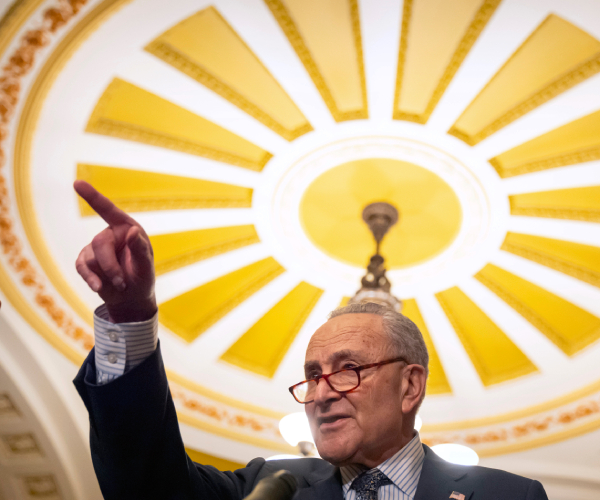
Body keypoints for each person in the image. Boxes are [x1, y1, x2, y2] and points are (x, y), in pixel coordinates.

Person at [72, 180, 548, 500]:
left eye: (346, 370)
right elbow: (146, 485)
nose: (320, 395)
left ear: (410, 386)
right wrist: (130, 317)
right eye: (312, 376)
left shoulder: (510, 495)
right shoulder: (272, 486)